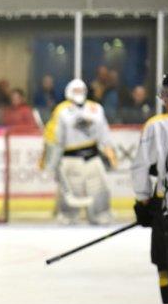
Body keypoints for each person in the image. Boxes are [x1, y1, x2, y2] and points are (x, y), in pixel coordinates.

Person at [41, 79, 117, 225]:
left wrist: (110, 151)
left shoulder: (96, 108)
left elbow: (104, 132)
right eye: (76, 91)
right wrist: (51, 161)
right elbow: (53, 136)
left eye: (81, 90)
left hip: (93, 156)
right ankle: (68, 216)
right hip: (71, 158)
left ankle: (100, 214)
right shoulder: (61, 110)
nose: (79, 93)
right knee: (71, 190)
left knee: (99, 188)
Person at [131, 71, 168, 304]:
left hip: (165, 205)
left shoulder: (157, 125)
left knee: (164, 262)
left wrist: (143, 200)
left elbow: (141, 165)